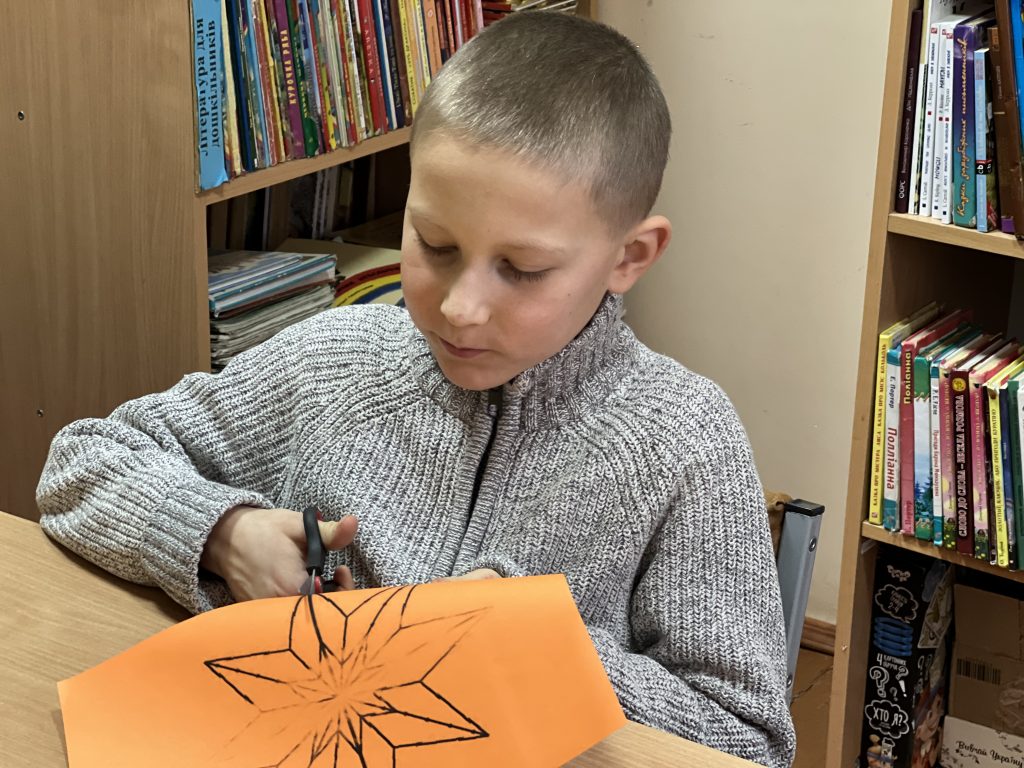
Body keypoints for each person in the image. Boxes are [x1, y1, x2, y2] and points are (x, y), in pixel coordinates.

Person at [36, 11, 795, 767]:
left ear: (630, 256)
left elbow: (748, 740)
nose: (461, 308)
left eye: (523, 269)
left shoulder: (684, 441)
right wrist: (225, 534)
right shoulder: (334, 360)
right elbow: (82, 464)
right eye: (436, 245)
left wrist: (543, 646)